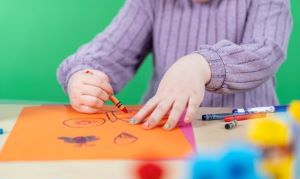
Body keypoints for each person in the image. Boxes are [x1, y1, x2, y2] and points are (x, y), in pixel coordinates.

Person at [57, 0, 292, 130]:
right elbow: (110, 51)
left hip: (247, 131)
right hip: (166, 130)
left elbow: (266, 51)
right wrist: (84, 75)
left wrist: (202, 65)